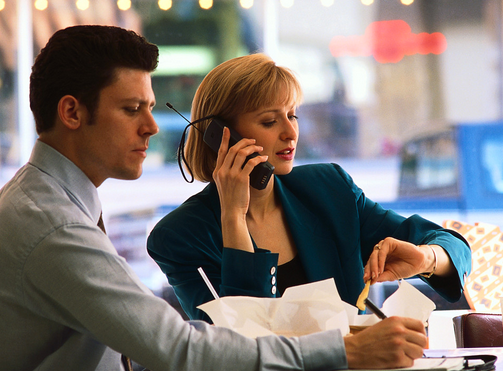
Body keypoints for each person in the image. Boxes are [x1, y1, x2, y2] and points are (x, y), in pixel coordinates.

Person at [0, 27, 428, 371]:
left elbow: (138, 342)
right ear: (72, 112)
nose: (152, 128)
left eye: (151, 109)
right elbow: (183, 352)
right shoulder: (53, 226)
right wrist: (345, 349)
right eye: (131, 110)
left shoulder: (45, 197)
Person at [147, 53, 471, 322]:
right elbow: (238, 342)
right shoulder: (179, 237)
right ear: (220, 136)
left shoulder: (329, 190)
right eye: (270, 121)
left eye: (292, 115)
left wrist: (426, 258)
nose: (291, 133)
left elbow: (454, 247)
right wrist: (233, 218)